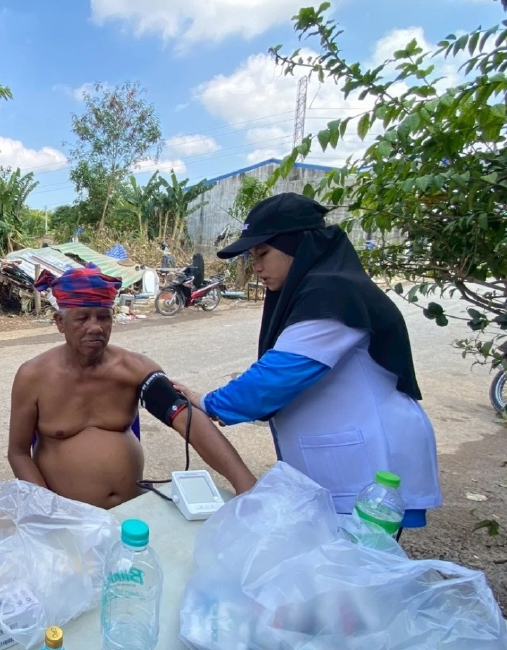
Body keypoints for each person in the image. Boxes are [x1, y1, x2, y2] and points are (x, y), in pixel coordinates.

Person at [180, 193, 441, 527]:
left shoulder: (332, 294)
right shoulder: (320, 288)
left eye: (263, 253)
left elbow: (276, 378)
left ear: (298, 246)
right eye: (251, 256)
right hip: (350, 458)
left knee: (355, 568)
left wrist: (206, 401)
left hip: (370, 463)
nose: (256, 266)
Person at [7, 265, 257, 510]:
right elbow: (18, 452)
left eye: (103, 317)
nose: (95, 327)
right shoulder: (33, 376)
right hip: (68, 517)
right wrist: (48, 510)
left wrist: (244, 482)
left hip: (132, 511)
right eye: (82, 318)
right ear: (60, 322)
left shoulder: (135, 369)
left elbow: (187, 419)